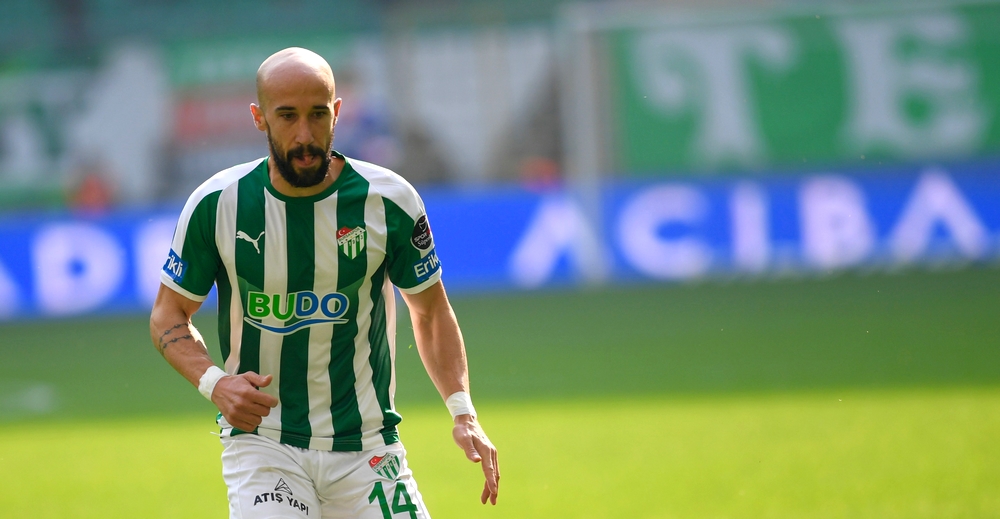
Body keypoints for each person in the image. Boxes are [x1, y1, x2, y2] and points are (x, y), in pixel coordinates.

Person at [149, 47, 498, 519]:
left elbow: (431, 312)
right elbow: (168, 314)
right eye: (287, 116)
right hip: (264, 442)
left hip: (367, 446)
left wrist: (463, 412)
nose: (304, 135)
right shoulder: (217, 204)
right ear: (259, 117)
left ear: (337, 111)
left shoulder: (388, 200)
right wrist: (216, 384)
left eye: (317, 114)